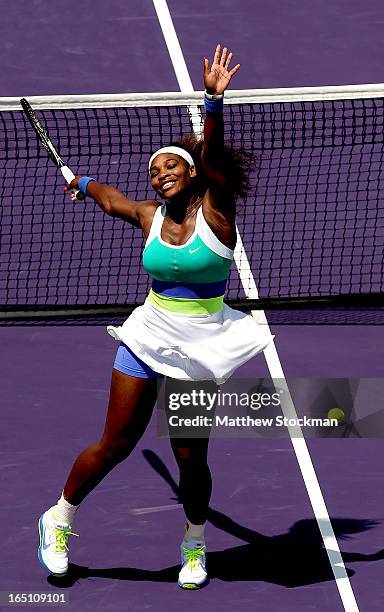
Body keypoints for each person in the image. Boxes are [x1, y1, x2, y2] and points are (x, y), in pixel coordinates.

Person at [37, 44, 270, 589]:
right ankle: (58, 518)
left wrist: (211, 102)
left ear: (193, 173)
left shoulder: (218, 208)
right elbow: (112, 200)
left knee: (191, 458)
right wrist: (85, 184)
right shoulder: (148, 214)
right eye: (153, 170)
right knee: (115, 443)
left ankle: (194, 541)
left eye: (170, 165)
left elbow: (213, 156)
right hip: (146, 336)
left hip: (203, 342)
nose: (158, 173)